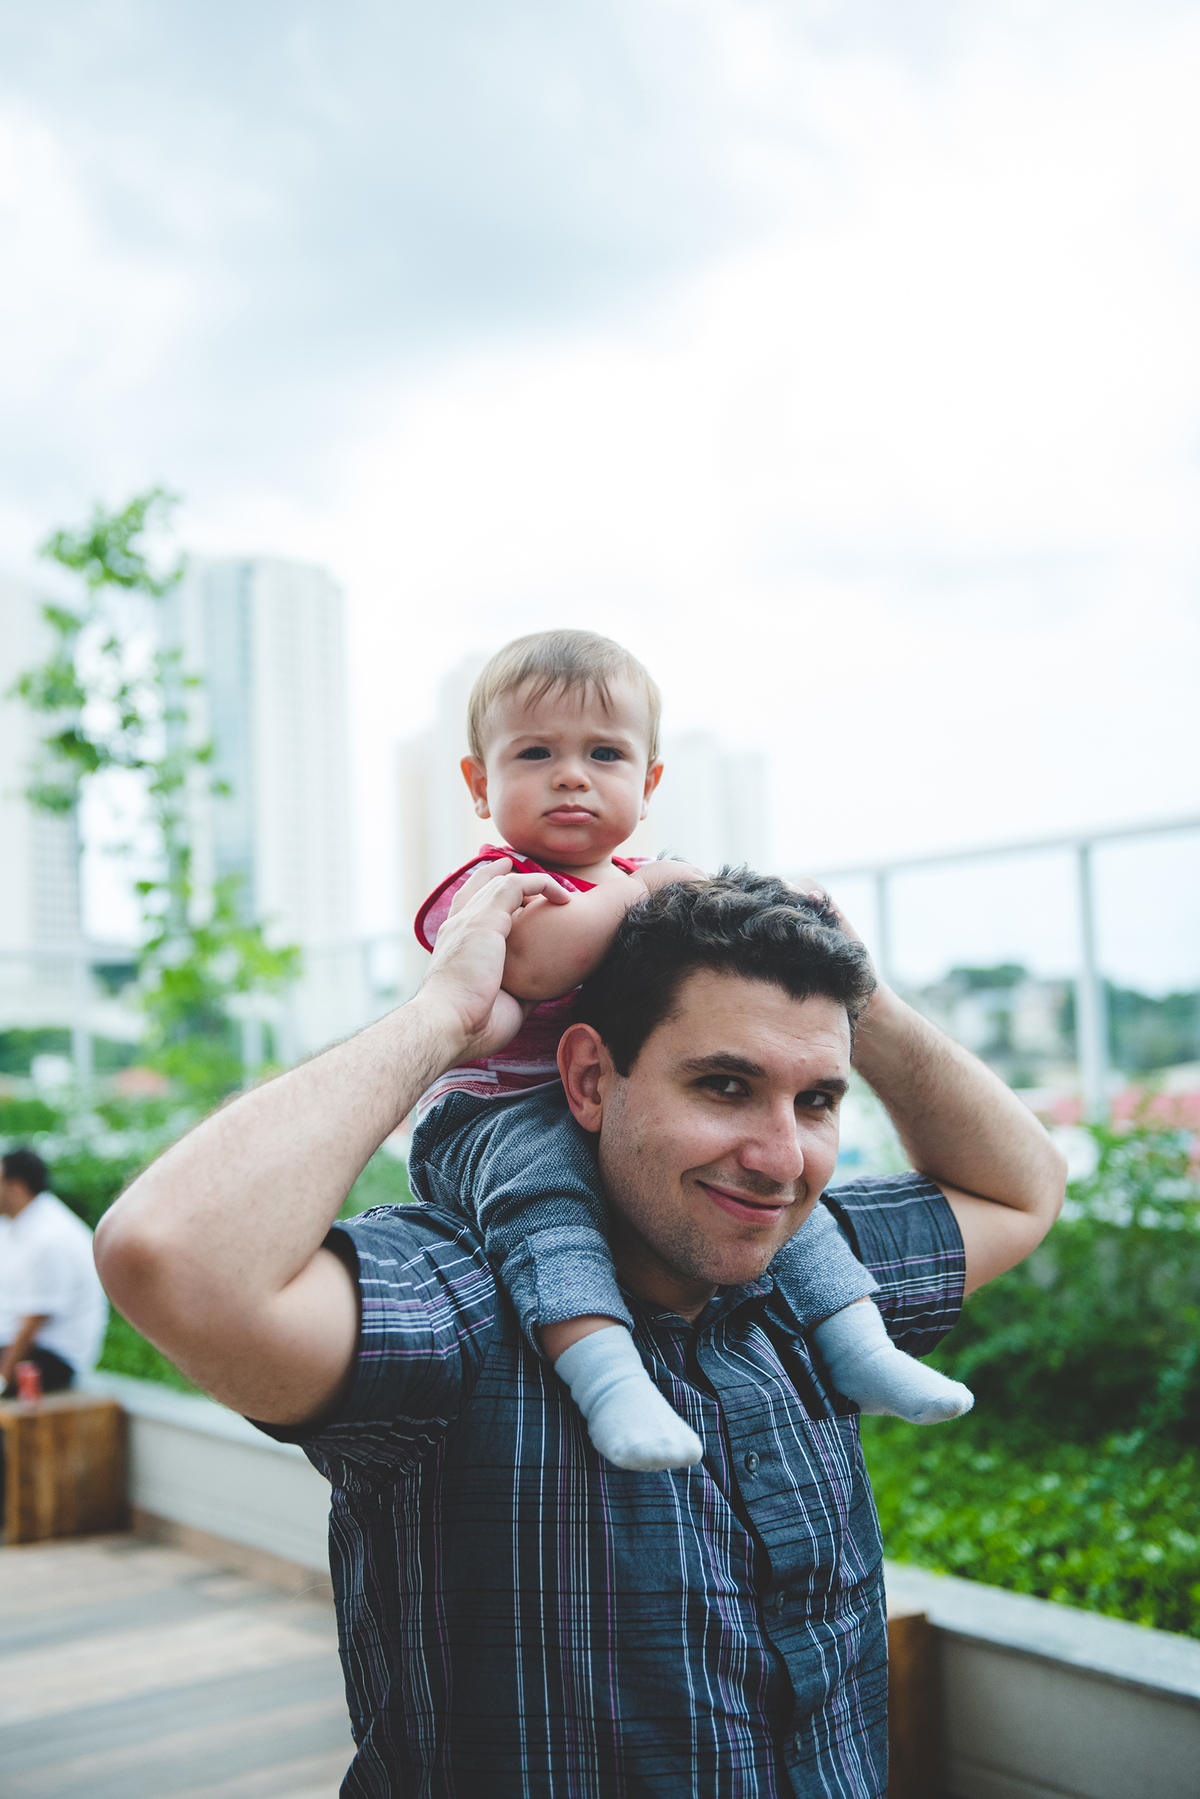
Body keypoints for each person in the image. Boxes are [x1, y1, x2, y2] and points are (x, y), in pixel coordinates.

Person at [94, 862, 1065, 1797]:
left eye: (816, 1099)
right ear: (591, 1078)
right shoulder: (458, 1304)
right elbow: (169, 1253)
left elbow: (1024, 1186)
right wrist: (445, 1019)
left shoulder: (816, 1275)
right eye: (724, 1084)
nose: (782, 1159)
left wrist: (869, 999)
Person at [410, 629, 970, 1471]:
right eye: (535, 752)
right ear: (481, 785)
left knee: (783, 1189)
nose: (572, 774)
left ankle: (858, 1341)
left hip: (594, 1103)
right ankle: (608, 1377)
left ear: (648, 781)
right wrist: (644, 888)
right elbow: (536, 957)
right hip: (487, 1116)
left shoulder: (640, 880)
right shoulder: (491, 882)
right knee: (549, 1204)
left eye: (605, 752)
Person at [0, 1148, 109, 1396]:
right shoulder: (13, 1225)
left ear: (16, 1187)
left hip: (55, 1357)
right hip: (18, 1342)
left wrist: (2, 1381)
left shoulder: (50, 1237)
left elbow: (33, 1323)